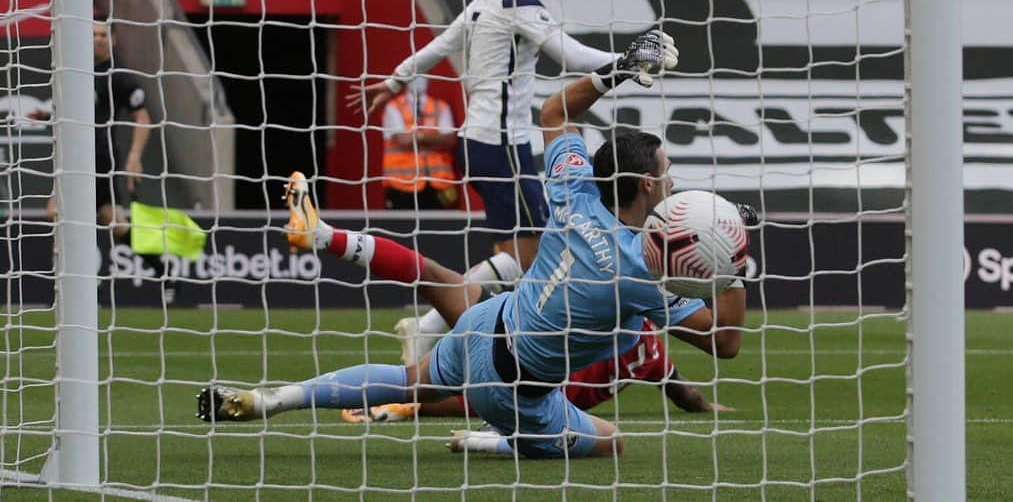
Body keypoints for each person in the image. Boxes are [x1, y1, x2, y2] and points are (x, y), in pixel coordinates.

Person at [198, 31, 745, 461]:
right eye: (666, 173)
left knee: (414, 375)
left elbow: (554, 112)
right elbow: (724, 342)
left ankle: (277, 398)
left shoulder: (576, 188)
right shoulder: (640, 273)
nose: (672, 181)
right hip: (514, 389)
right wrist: (734, 258)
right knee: (611, 443)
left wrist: (621, 69)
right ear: (647, 185)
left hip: (486, 324)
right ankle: (496, 437)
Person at [352, 0, 636, 366]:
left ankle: (436, 330)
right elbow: (571, 54)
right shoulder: (517, 1)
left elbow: (444, 41)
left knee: (518, 257)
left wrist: (396, 79)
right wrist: (629, 60)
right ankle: (434, 329)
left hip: (486, 144)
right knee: (532, 256)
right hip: (501, 147)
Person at [341, 317, 733, 425]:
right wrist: (710, 408)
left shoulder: (606, 320)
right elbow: (685, 395)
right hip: (558, 398)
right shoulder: (653, 352)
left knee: (474, 389)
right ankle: (406, 397)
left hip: (544, 378)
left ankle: (404, 402)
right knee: (477, 397)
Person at [31, 18, 151, 239]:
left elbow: (142, 117)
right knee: (111, 221)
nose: (98, 40)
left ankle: (80, 267)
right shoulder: (77, 74)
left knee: (58, 212)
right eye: (94, 35)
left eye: (103, 35)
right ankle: (162, 266)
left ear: (113, 40)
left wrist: (135, 156)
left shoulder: (119, 78)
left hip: (101, 158)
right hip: (76, 156)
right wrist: (47, 115)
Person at [381, 77, 458, 211]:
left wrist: (417, 136)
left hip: (438, 184)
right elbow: (403, 141)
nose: (418, 79)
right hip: (402, 184)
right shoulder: (393, 107)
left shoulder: (441, 107)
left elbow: (449, 141)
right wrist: (434, 139)